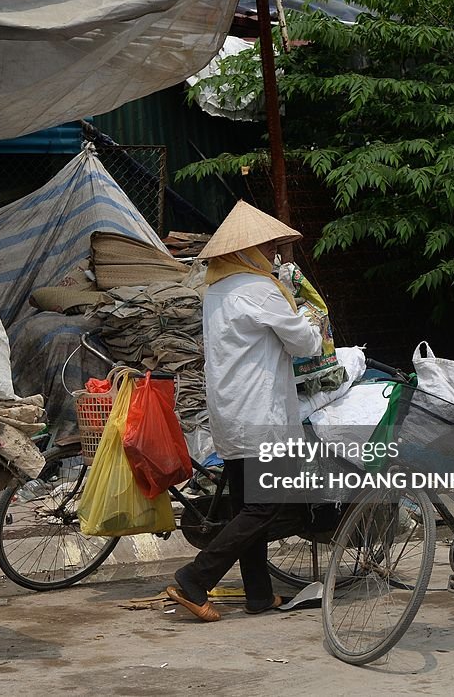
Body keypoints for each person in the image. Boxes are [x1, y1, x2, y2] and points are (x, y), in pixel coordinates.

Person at [166, 201, 322, 621]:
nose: (273, 256)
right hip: (259, 413)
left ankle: (258, 594)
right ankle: (195, 578)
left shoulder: (218, 289)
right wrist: (310, 318)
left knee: (245, 506)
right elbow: (305, 345)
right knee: (262, 507)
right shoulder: (260, 290)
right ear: (247, 251)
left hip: (231, 412)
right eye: (268, 248)